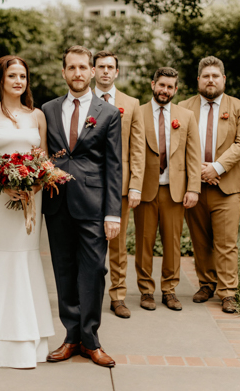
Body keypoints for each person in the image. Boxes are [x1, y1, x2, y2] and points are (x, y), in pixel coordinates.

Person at [0, 55, 54, 369]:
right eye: (12, 75)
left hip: (31, 195)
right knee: (0, 256)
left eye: (23, 76)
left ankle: (31, 340)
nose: (19, 81)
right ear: (1, 80)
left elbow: (43, 160)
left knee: (26, 257)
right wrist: (0, 180)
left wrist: (34, 182)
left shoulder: (37, 115)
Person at [41, 46, 122, 368]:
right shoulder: (47, 109)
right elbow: (43, 154)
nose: (77, 73)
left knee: (93, 272)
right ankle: (71, 337)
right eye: (71, 68)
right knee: (64, 272)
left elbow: (113, 166)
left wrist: (112, 212)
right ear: (64, 73)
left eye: (82, 67)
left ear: (91, 72)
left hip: (93, 204)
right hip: (57, 202)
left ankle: (92, 340)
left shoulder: (108, 113)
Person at [179, 56, 240, 313]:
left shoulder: (239, 107)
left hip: (227, 185)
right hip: (194, 186)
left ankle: (228, 292)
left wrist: (216, 168)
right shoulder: (184, 107)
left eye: (215, 76)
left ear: (224, 79)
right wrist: (198, 172)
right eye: (206, 76)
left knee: (226, 242)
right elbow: (179, 144)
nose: (211, 80)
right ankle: (206, 283)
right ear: (198, 80)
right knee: (200, 240)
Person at [133, 67, 200, 312]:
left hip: (175, 190)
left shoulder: (186, 116)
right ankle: (146, 290)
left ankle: (170, 290)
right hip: (144, 189)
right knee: (144, 242)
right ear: (153, 85)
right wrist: (132, 187)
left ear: (176, 89)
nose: (165, 90)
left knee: (172, 243)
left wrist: (193, 188)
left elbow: (193, 155)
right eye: (161, 85)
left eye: (170, 87)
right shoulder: (137, 113)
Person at [93, 50, 145, 319]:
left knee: (118, 243)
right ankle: (88, 294)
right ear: (93, 71)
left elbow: (137, 148)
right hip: (88, 185)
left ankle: (118, 295)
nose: (105, 71)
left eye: (109, 67)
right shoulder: (82, 101)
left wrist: (135, 185)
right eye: (100, 66)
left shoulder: (131, 103)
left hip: (120, 186)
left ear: (116, 72)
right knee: (89, 242)